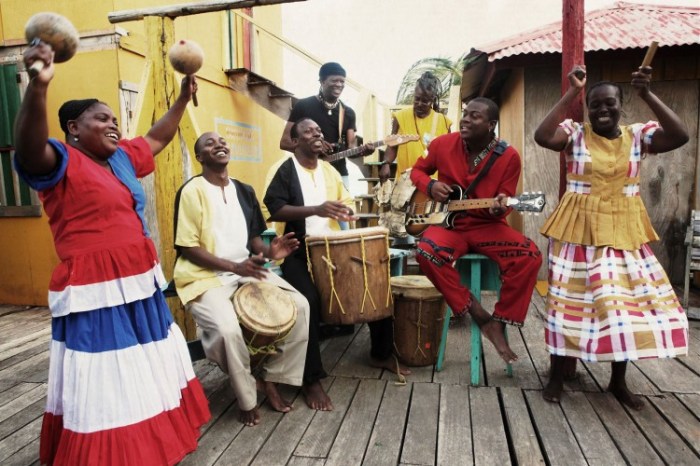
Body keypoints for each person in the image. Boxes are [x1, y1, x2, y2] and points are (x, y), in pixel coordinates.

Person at [13, 42, 210, 465]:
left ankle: (150, 440)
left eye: (115, 118)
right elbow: (28, 147)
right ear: (73, 128)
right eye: (101, 118)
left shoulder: (121, 158)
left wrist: (181, 98)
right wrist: (37, 86)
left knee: (143, 362)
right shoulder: (60, 160)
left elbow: (158, 136)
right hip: (94, 289)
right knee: (106, 372)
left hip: (138, 279)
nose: (113, 124)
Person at [533, 65, 689, 409]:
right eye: (595, 105)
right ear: (588, 109)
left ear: (621, 107)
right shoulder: (574, 133)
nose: (603, 110)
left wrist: (647, 94)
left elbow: (680, 135)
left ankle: (617, 382)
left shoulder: (638, 136)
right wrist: (573, 92)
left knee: (625, 309)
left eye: (610, 105)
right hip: (576, 229)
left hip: (623, 231)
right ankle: (557, 376)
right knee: (567, 306)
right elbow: (542, 137)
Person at [265, 118, 409, 411]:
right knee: (308, 302)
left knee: (377, 284)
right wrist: (316, 209)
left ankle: (381, 353)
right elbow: (276, 208)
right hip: (298, 250)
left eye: (318, 130)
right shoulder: (285, 169)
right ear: (295, 141)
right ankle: (311, 379)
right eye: (308, 131)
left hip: (332, 247)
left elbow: (345, 203)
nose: (316, 133)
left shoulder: (329, 170)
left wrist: (347, 212)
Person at [173, 131, 310, 427]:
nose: (219, 144)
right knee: (227, 330)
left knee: (300, 306)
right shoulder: (191, 191)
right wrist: (235, 268)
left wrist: (269, 252)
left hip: (246, 270)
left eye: (222, 141)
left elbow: (254, 239)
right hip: (203, 277)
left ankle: (271, 377)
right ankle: (247, 397)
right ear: (200, 157)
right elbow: (187, 246)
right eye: (209, 143)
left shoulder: (244, 190)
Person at [410, 97, 542, 364]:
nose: (466, 119)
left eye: (475, 116)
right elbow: (417, 171)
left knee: (530, 255)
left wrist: (500, 208)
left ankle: (500, 321)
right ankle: (480, 315)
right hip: (449, 225)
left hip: (487, 226)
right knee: (425, 252)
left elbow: (505, 200)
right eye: (465, 114)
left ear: (492, 124)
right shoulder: (442, 144)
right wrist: (430, 186)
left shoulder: (508, 157)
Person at [279, 61, 374, 188]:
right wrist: (311, 146)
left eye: (342, 81)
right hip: (307, 172)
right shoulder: (303, 106)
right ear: (322, 81)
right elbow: (284, 142)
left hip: (339, 175)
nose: (339, 85)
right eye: (334, 80)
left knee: (342, 208)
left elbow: (351, 148)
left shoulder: (348, 112)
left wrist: (364, 152)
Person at [379, 71, 451, 182]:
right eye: (417, 99)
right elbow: (393, 145)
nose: (419, 103)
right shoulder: (400, 117)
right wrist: (386, 163)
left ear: (432, 100)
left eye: (425, 101)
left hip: (431, 184)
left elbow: (448, 154)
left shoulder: (444, 121)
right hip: (404, 182)